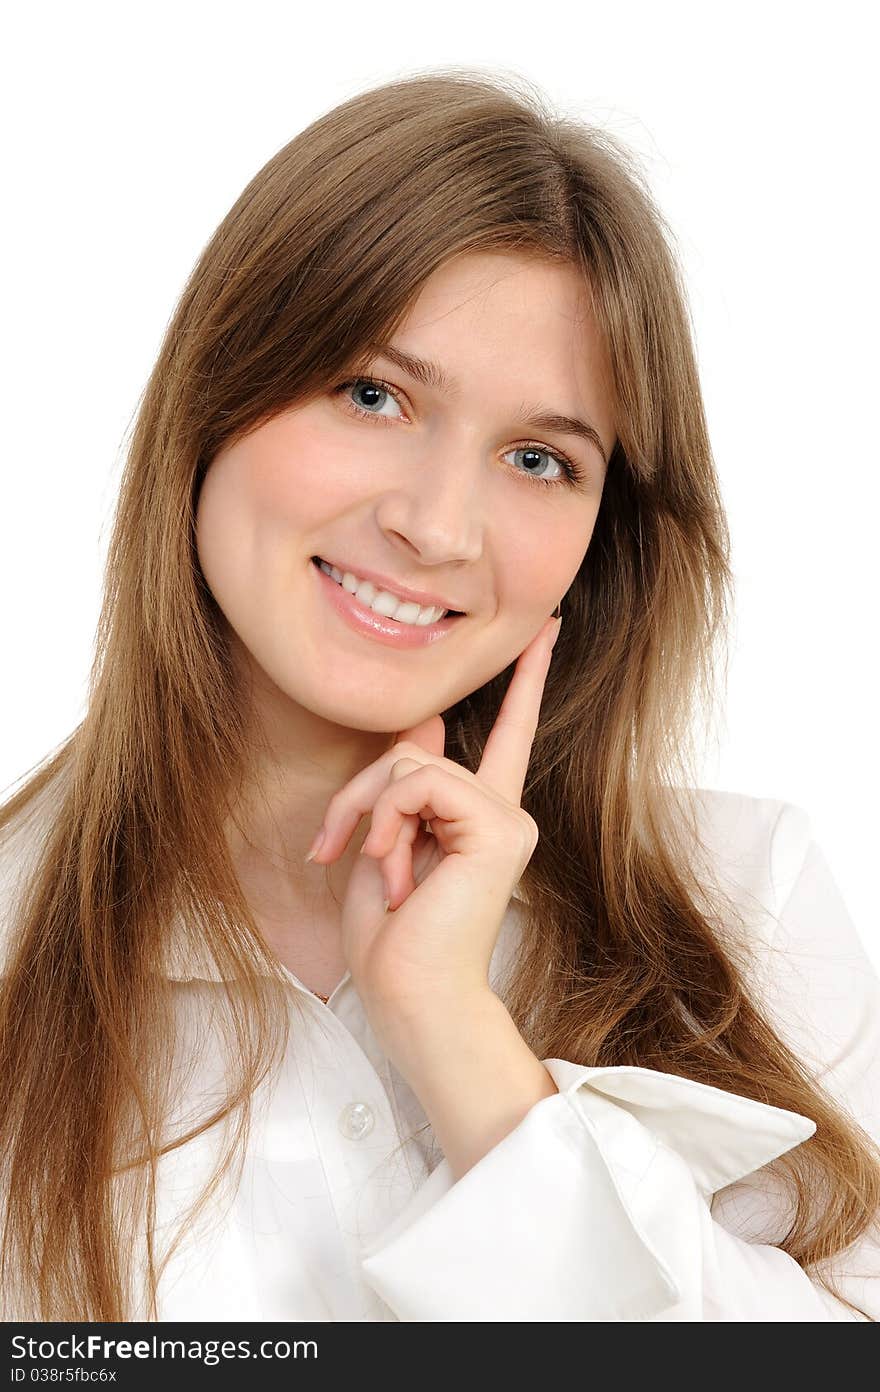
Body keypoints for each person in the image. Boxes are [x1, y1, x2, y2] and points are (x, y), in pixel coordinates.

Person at [1, 67, 878, 1324]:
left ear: (600, 535)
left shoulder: (748, 901)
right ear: (212, 399)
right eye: (373, 394)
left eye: (538, 458)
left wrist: (453, 1036)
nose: (433, 525)